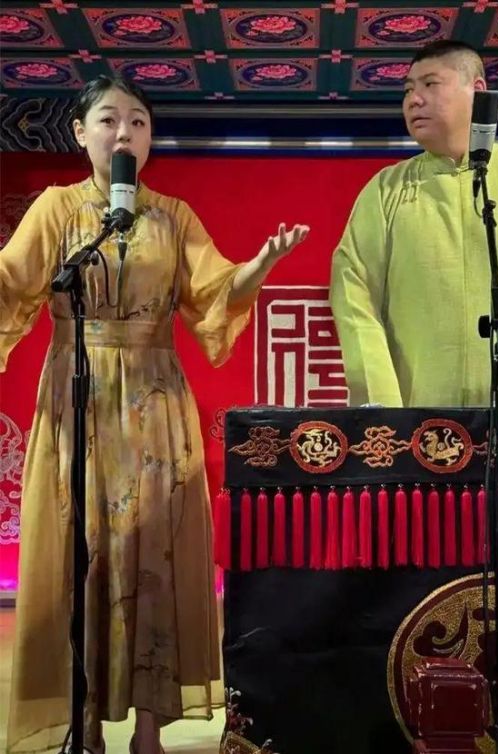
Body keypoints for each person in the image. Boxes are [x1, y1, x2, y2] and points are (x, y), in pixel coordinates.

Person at [0, 75, 309, 754]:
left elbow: (216, 290)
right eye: (109, 120)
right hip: (76, 392)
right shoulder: (56, 209)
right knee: (79, 552)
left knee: (156, 553)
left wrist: (260, 263)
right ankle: (82, 724)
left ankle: (148, 729)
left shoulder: (173, 216)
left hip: (155, 399)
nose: (124, 133)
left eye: (138, 122)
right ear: (80, 133)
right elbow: (11, 282)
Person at [330, 40, 498, 408]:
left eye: (430, 84)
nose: (414, 100)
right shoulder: (385, 191)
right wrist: (385, 412)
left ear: (477, 90)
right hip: (419, 427)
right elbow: (353, 295)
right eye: (408, 90)